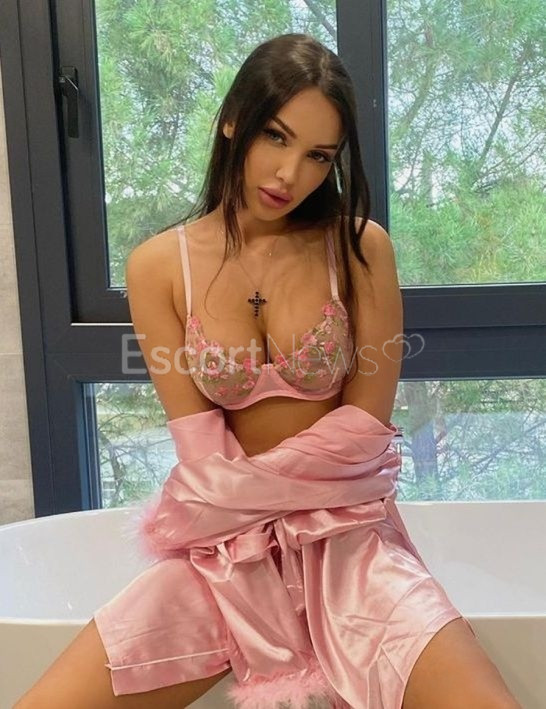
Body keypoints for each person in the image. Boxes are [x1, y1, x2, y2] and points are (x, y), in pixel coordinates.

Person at [15, 33, 520, 709]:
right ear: (234, 121)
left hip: (350, 544)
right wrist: (236, 517)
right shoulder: (159, 267)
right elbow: (201, 456)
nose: (289, 175)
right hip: (226, 557)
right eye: (276, 137)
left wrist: (232, 494)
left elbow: (362, 437)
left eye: (318, 156)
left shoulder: (359, 248)